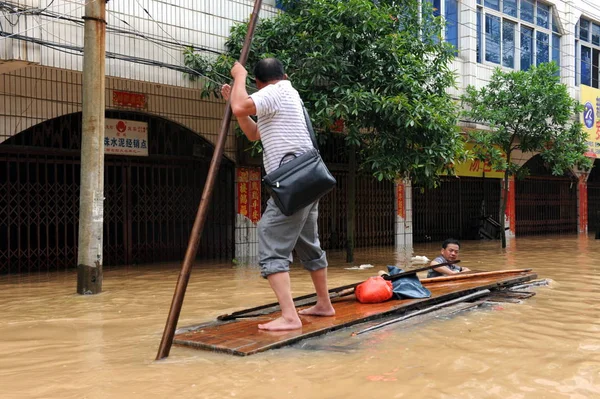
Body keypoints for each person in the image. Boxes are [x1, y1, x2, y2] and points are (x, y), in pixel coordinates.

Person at [221, 58, 335, 331]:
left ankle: (289, 316)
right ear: (284, 74)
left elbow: (241, 104)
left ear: (259, 84)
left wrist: (239, 76)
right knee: (308, 243)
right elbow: (253, 133)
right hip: (307, 180)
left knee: (269, 236)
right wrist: (237, 106)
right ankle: (324, 304)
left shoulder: (276, 91)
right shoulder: (286, 95)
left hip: (293, 182)